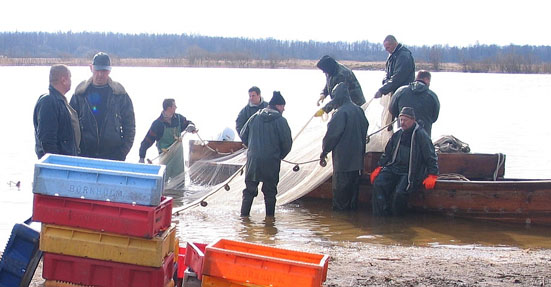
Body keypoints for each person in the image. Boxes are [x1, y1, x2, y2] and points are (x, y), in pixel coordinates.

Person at [370, 107, 439, 216]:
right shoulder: (397, 135)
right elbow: (387, 153)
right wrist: (379, 167)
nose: (402, 123)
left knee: (399, 193)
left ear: (413, 120)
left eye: (405, 120)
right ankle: (380, 218)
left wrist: (433, 174)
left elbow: (430, 156)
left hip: (411, 171)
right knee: (379, 184)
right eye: (401, 120)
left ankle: (397, 222)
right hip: (394, 168)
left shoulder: (421, 136)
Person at [70, 52, 135, 161]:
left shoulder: (120, 94)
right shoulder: (80, 94)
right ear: (91, 68)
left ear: (109, 70)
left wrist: (122, 152)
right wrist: (75, 151)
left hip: (114, 156)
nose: (100, 74)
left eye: (104, 70)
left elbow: (130, 126)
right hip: (84, 156)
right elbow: (70, 126)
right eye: (97, 70)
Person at [239, 91, 293, 217]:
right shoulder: (281, 121)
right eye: (283, 106)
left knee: (249, 190)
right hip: (271, 161)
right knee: (270, 192)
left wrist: (252, 148)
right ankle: (269, 223)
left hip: (253, 161)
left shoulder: (255, 117)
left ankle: (244, 218)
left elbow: (243, 134)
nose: (284, 109)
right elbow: (287, 143)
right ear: (278, 106)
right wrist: (279, 155)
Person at [320, 83, 369, 211]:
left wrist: (324, 151)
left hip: (343, 163)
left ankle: (340, 226)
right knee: (352, 201)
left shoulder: (340, 113)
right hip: (357, 163)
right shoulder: (359, 110)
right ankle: (351, 224)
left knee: (340, 201)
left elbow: (331, 136)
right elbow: (365, 130)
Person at [33, 64, 80, 159]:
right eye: (70, 78)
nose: (71, 81)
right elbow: (47, 139)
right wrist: (56, 164)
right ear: (63, 80)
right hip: (57, 167)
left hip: (65, 163)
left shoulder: (60, 102)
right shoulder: (49, 102)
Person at [138, 98, 196, 163]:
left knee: (179, 173)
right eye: (174, 106)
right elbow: (147, 141)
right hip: (165, 160)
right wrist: (142, 157)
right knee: (165, 173)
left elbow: (188, 123)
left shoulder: (179, 119)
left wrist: (192, 126)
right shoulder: (157, 124)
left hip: (178, 160)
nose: (176, 107)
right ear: (169, 108)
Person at [389, 70, 440, 136]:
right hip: (424, 136)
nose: (429, 84)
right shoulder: (432, 96)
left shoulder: (401, 91)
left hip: (403, 133)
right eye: (429, 81)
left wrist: (403, 117)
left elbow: (392, 109)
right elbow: (434, 117)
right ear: (426, 79)